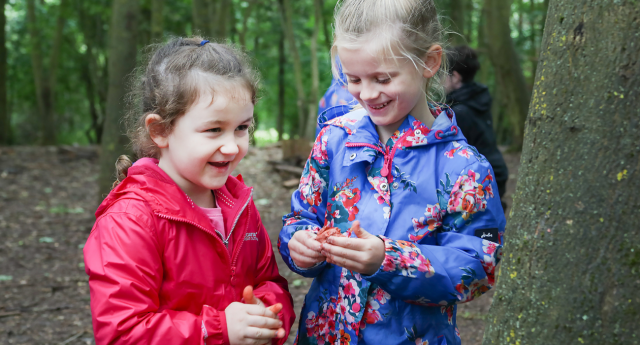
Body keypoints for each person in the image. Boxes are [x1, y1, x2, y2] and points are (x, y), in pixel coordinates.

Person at [278, 1, 505, 344]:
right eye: (352, 78)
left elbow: (477, 267)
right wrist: (298, 244)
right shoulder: (334, 140)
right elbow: (301, 216)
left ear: (429, 62)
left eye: (382, 78)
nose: (367, 93)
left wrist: (389, 259)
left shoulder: (464, 169)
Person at [83, 37, 295, 345]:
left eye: (242, 128)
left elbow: (269, 282)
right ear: (160, 130)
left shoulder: (240, 206)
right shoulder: (130, 220)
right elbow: (122, 333)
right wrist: (218, 329)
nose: (232, 146)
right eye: (213, 130)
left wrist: (267, 314)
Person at [444, 45, 509, 206]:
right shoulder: (478, 98)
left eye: (442, 74)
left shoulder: (458, 111)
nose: (439, 80)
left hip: (482, 177)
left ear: (455, 77)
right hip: (494, 170)